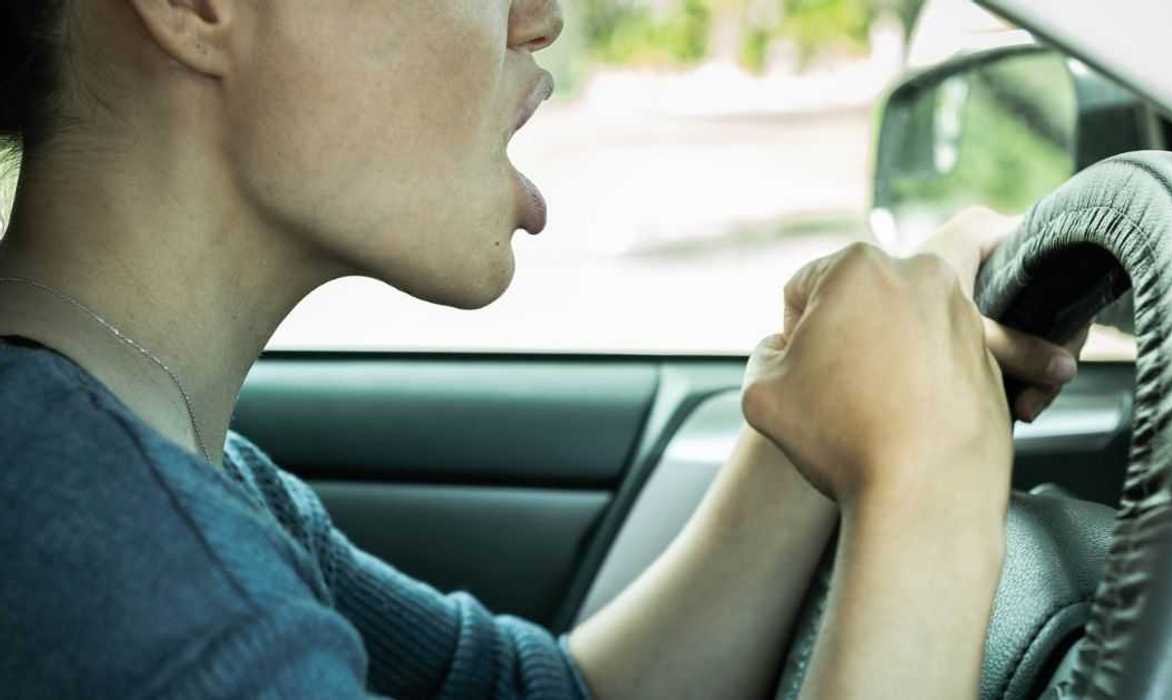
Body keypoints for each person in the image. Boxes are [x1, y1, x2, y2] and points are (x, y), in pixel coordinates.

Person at [0, 1, 1083, 698]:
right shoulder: (161, 611)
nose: (540, 15)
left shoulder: (155, 485)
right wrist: (925, 494)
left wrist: (830, 410)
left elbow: (544, 695)